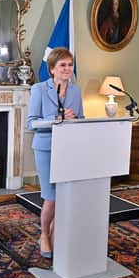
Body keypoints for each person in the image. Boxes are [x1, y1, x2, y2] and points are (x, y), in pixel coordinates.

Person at [27, 48, 84, 258]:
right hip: (46, 147)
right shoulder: (39, 90)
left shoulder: (76, 91)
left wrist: (75, 118)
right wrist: (56, 118)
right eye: (63, 65)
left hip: (69, 148)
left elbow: (82, 118)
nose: (67, 69)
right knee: (51, 197)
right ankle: (44, 234)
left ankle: (56, 234)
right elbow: (32, 122)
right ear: (52, 69)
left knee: (66, 195)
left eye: (70, 65)